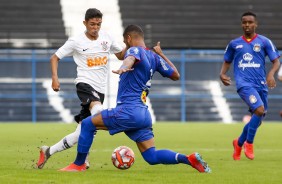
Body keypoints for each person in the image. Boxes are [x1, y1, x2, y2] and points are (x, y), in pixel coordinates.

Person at [59, 25, 211, 173]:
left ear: (129, 38)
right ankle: (189, 159)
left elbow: (131, 57)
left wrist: (124, 66)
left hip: (128, 111)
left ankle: (78, 165)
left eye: (125, 43)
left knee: (87, 124)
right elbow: (176, 75)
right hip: (143, 115)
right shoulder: (154, 57)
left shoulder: (134, 49)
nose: (125, 47)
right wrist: (161, 54)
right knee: (151, 156)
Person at [36, 8, 128, 169]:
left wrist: (130, 44)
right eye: (92, 24)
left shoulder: (107, 38)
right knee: (98, 113)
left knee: (82, 132)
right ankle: (83, 159)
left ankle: (48, 151)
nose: (95, 27)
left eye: (98, 24)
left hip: (100, 90)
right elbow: (54, 57)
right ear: (85, 23)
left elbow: (120, 55)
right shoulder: (76, 41)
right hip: (84, 84)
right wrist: (55, 78)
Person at [220, 11, 280, 160]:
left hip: (261, 85)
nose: (247, 25)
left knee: (257, 119)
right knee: (259, 110)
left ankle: (238, 143)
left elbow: (276, 61)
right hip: (244, 84)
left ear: (256, 24)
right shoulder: (234, 44)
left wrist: (271, 74)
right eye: (244, 22)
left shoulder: (264, 42)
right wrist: (222, 74)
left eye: (250, 22)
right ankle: (249, 143)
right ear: (242, 24)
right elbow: (227, 61)